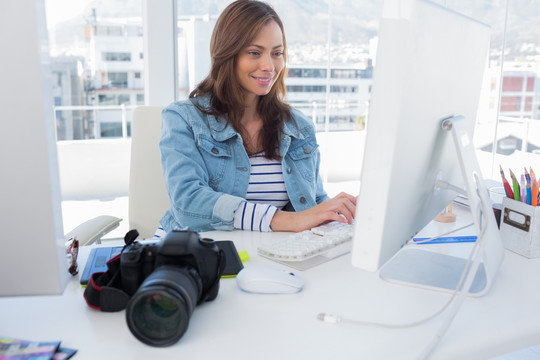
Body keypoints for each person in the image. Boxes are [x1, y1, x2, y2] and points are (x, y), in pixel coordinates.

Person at [158, 0, 356, 235]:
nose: (269, 66)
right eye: (254, 52)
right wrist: (285, 220)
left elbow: (311, 204)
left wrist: (342, 212)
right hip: (197, 253)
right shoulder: (183, 119)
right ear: (227, 54)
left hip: (268, 253)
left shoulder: (298, 126)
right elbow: (187, 203)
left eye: (277, 53)